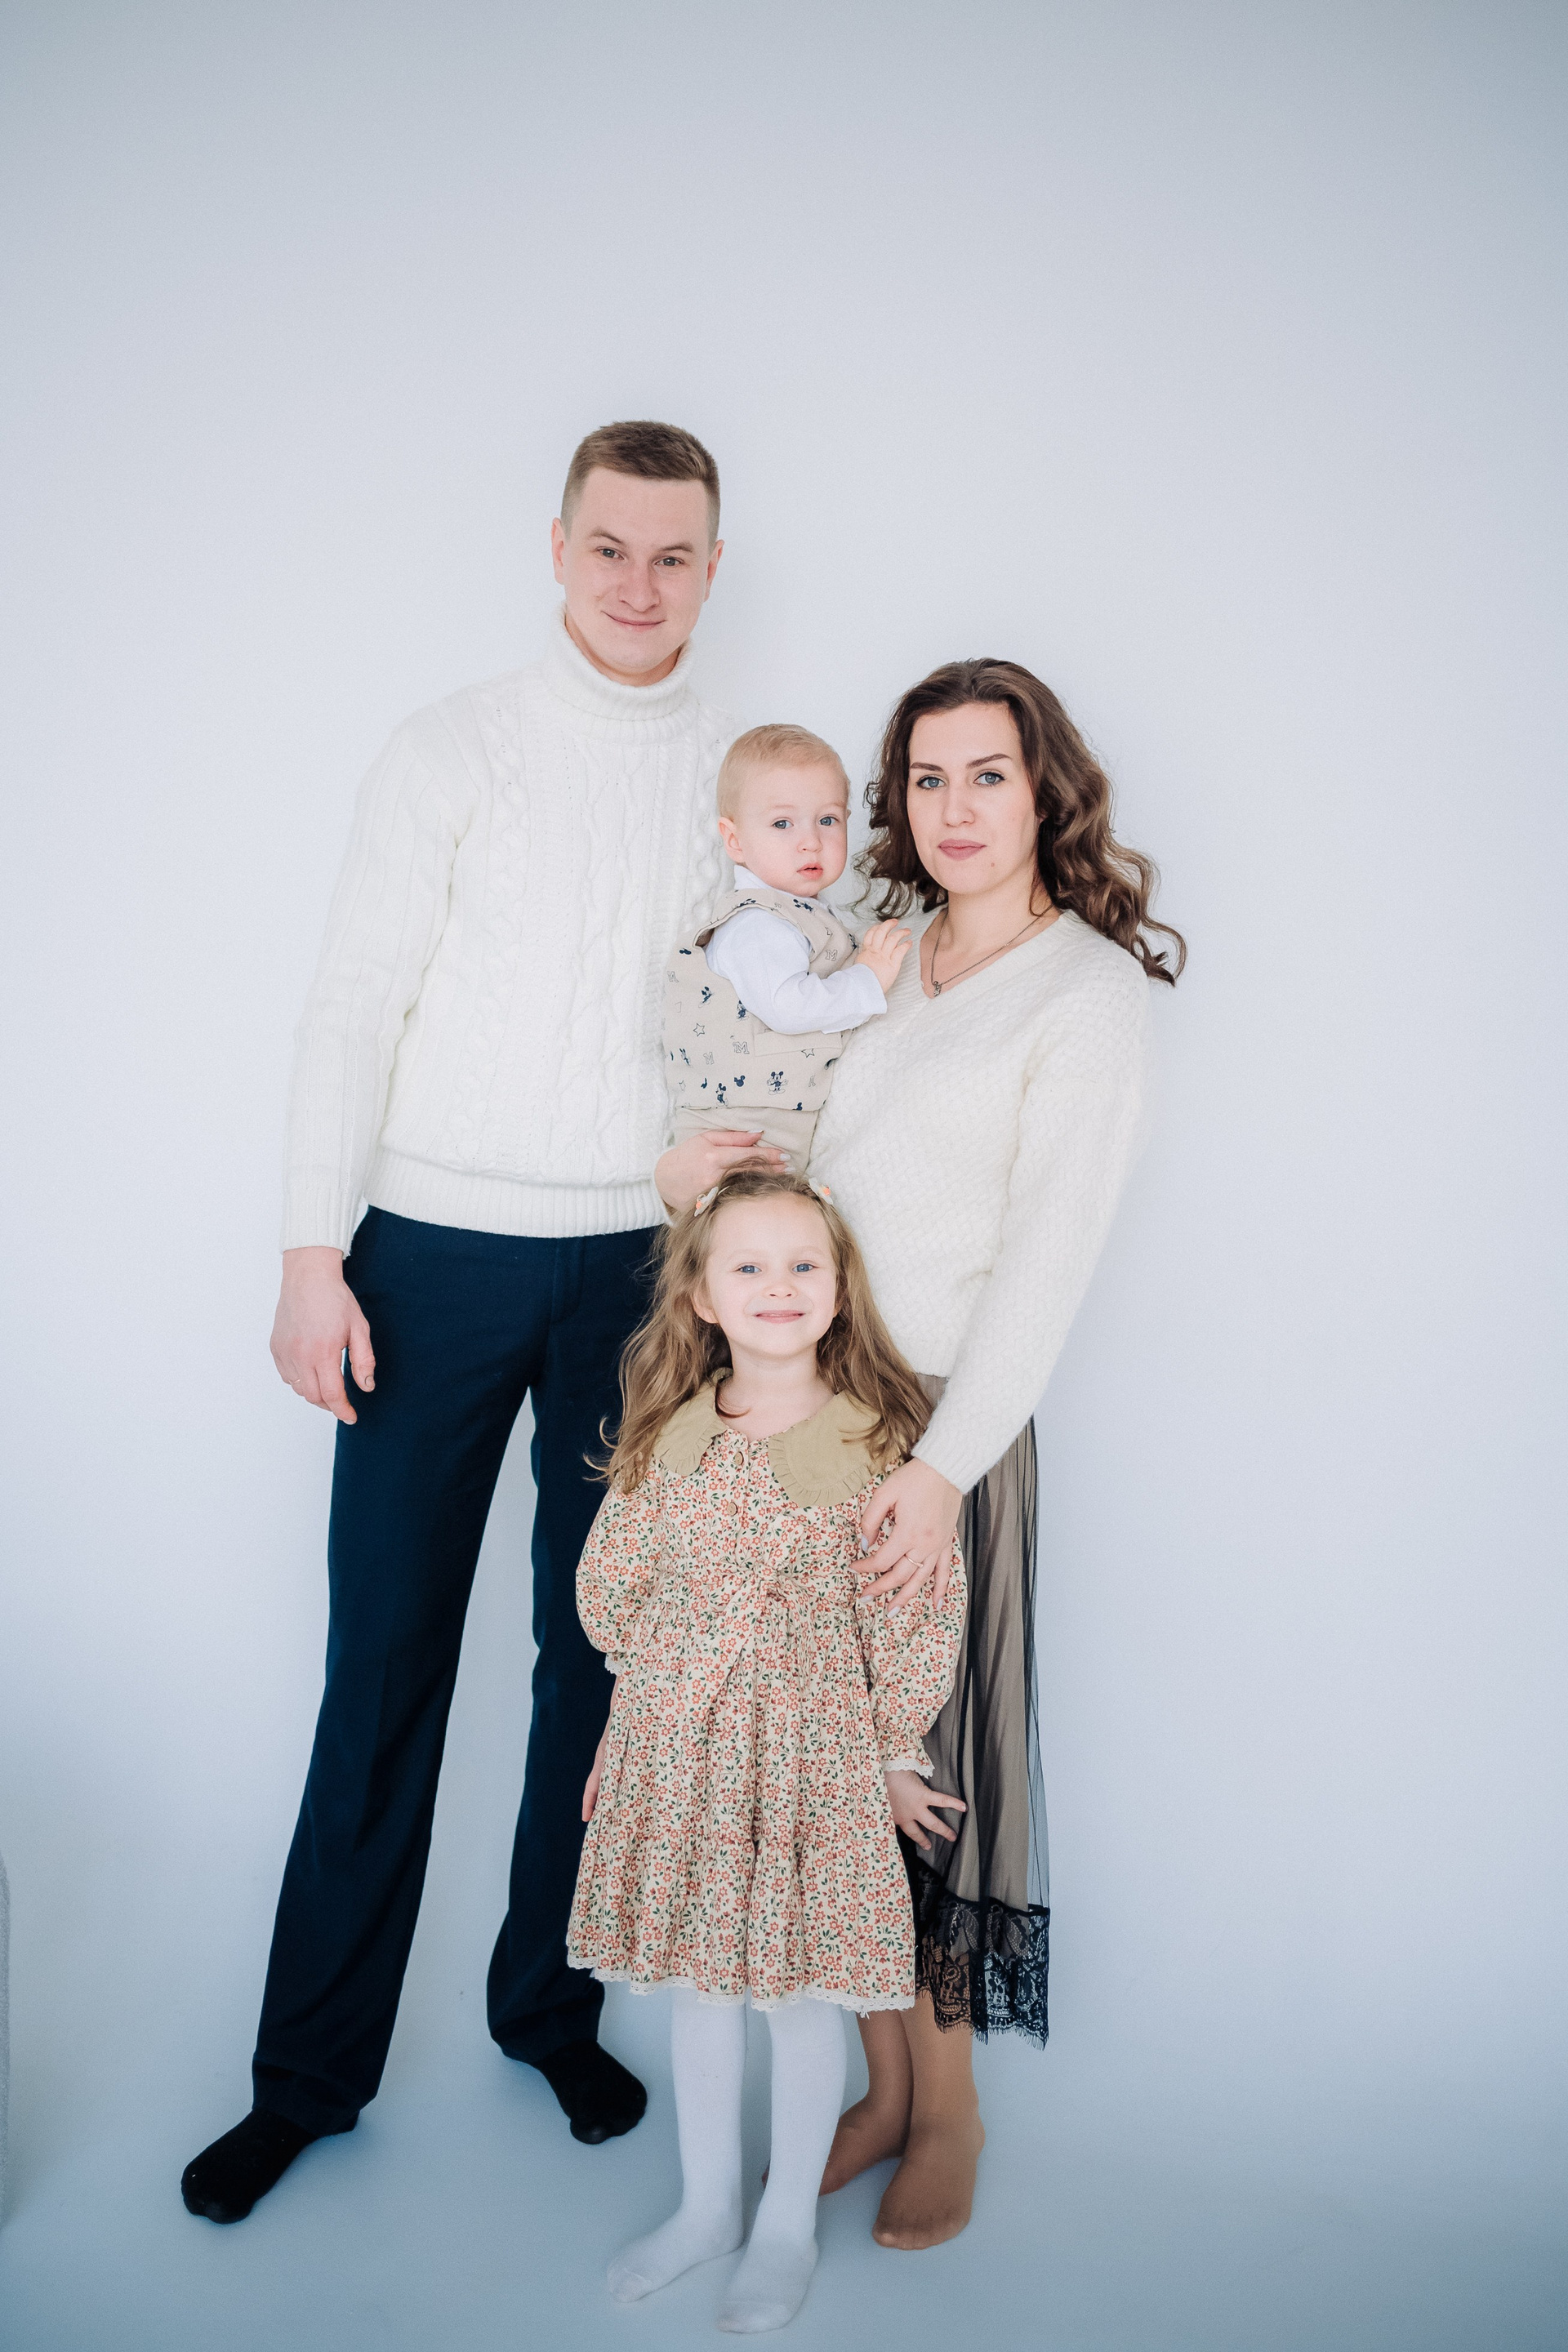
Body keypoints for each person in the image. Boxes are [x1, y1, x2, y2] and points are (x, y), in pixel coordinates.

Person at [182, 421, 786, 2226]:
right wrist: (311, 1255)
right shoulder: (450, 746)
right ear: (557, 545)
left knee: (597, 1666)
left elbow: (780, 1013)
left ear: (714, 569)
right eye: (610, 547)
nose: (637, 585)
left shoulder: (742, 778)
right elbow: (351, 1002)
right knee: (382, 1665)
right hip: (428, 1260)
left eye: (673, 556)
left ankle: (549, 2013)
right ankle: (307, 2078)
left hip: (643, 1275)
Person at [657, 657, 1185, 2253]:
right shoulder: (873, 933)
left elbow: (1046, 1268)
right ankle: (881, 2091)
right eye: (930, 778)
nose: (956, 809)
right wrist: (687, 1169)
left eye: (989, 775)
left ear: (1045, 790)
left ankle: (948, 2111)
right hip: (805, 1410)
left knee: (927, 1780)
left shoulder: (1085, 994)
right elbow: (779, 1108)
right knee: (834, 1780)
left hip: (939, 1435)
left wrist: (943, 1471)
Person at [568, 1170, 964, 2332]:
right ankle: (707, 2210)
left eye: (803, 1265)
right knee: (702, 1993)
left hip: (812, 1763)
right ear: (701, 1295)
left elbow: (915, 1612)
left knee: (798, 1999)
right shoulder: (668, 1439)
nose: (778, 1286)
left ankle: (786, 2222)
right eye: (747, 1266)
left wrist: (892, 1754)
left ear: (839, 1291)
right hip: (681, 1752)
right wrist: (621, 1734)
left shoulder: (882, 1444)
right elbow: (624, 1597)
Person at [664, 723, 911, 1157]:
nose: (811, 842)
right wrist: (867, 979)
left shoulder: (802, 914)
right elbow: (788, 1006)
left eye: (828, 820)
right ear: (735, 840)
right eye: (782, 823)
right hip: (737, 1131)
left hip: (773, 1124)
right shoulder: (757, 924)